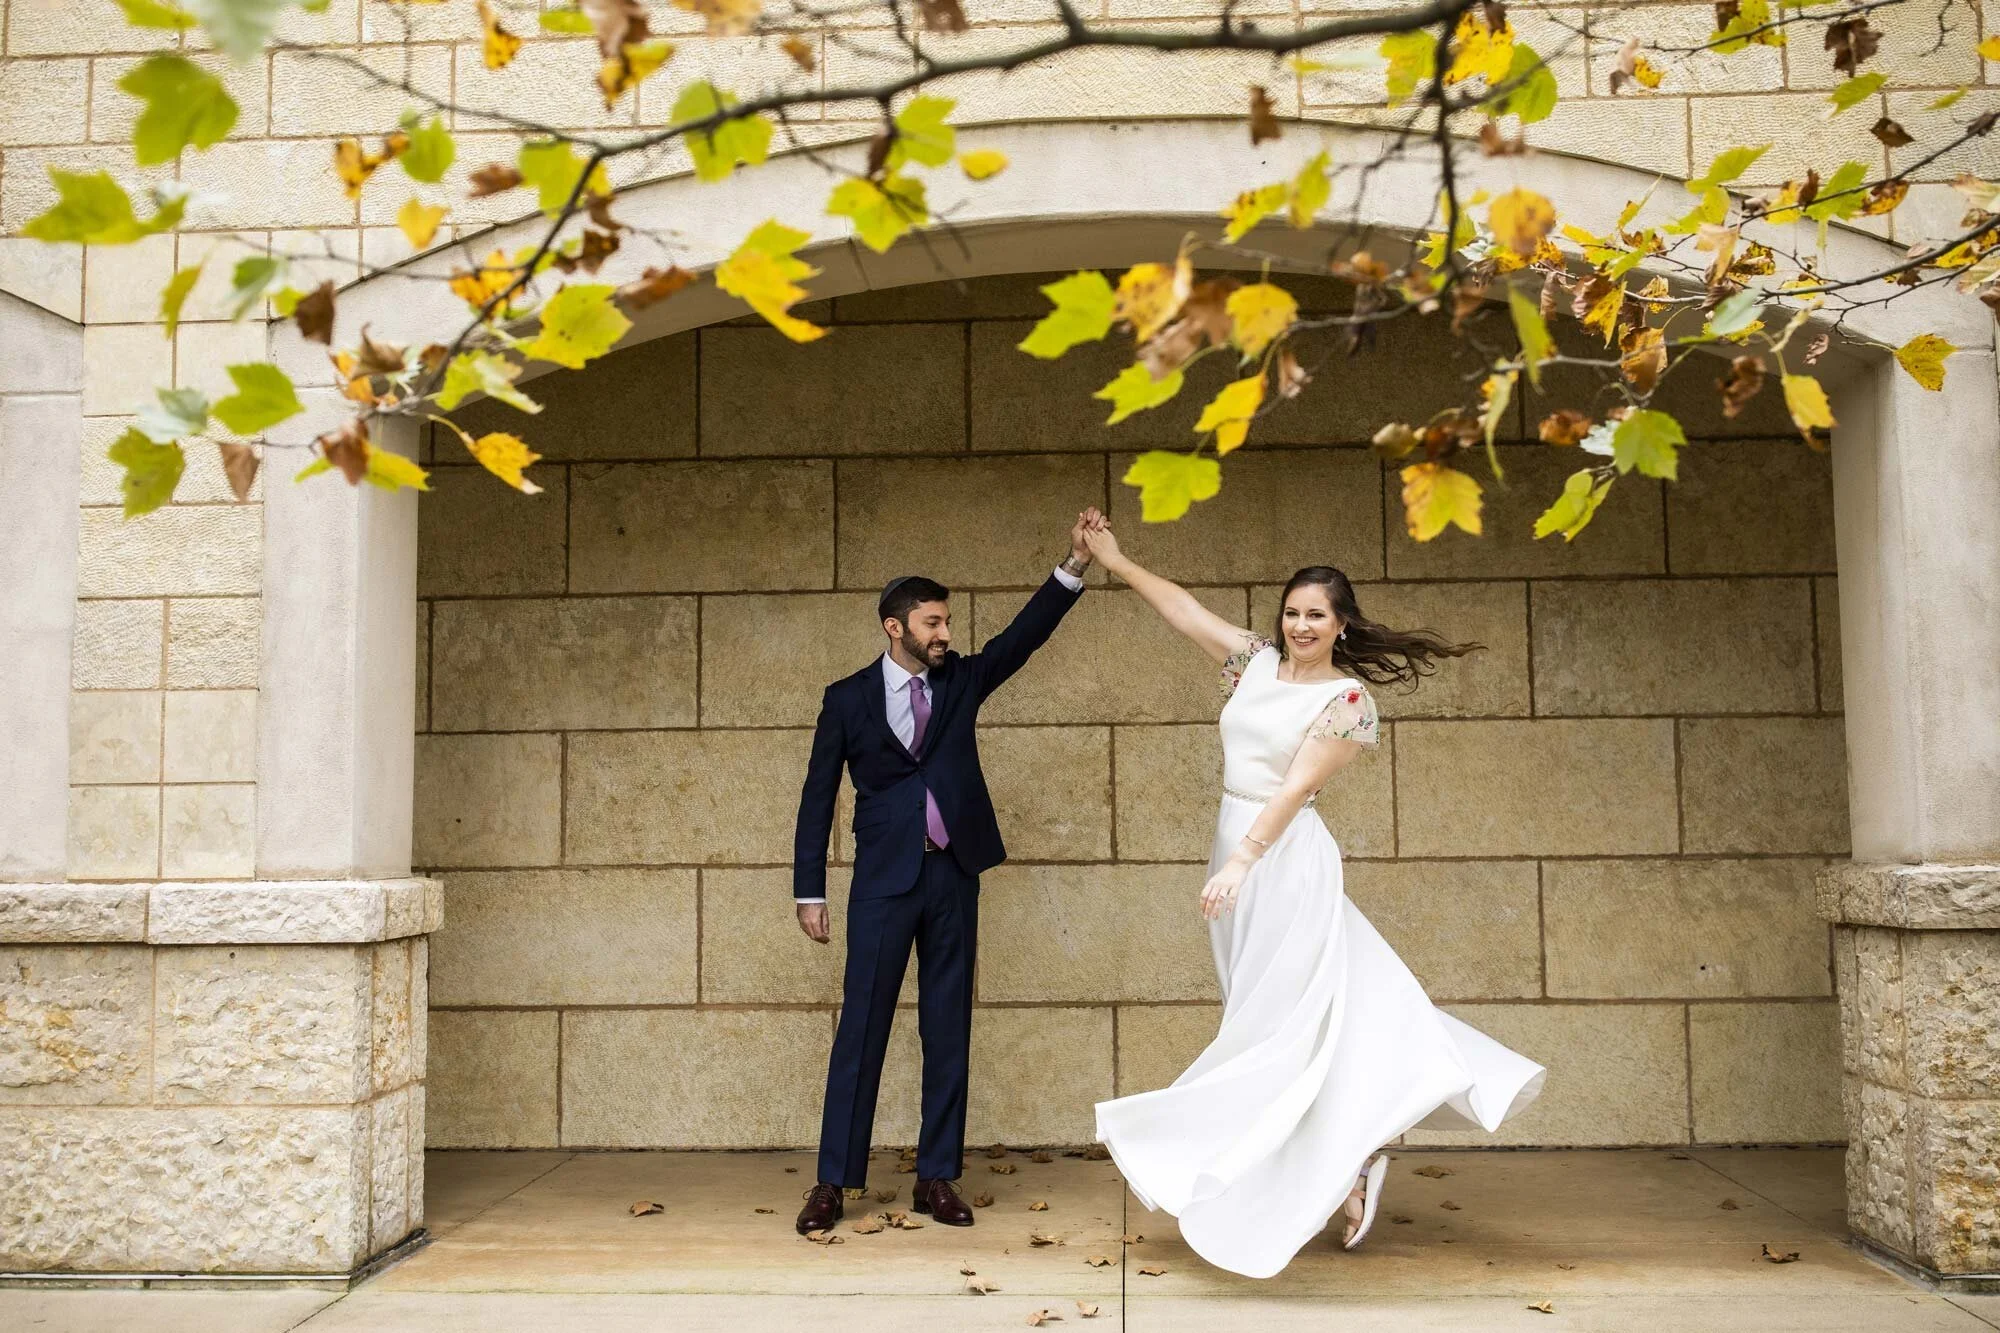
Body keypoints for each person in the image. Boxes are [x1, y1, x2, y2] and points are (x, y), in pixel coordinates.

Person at [1086, 523, 1547, 1279]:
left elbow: (1298, 786)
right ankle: (1349, 1153)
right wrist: (1115, 561)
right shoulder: (1252, 664)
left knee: (1277, 1025)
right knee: (1262, 1012)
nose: (1300, 626)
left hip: (1281, 856)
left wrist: (1241, 862)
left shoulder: (1348, 700)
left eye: (1316, 616)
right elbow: (1183, 611)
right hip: (1232, 848)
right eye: (1292, 612)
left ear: (1342, 624)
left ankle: (1330, 1162)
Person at [791, 508, 1104, 1236]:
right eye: (932, 623)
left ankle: (937, 1175)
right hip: (880, 884)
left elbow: (1022, 640)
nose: (945, 634)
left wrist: (1074, 563)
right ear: (894, 627)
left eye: (948, 623)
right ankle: (834, 1180)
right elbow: (816, 797)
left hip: (953, 875)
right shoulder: (846, 699)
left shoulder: (962, 680)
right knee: (861, 1029)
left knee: (947, 1026)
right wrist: (811, 888)